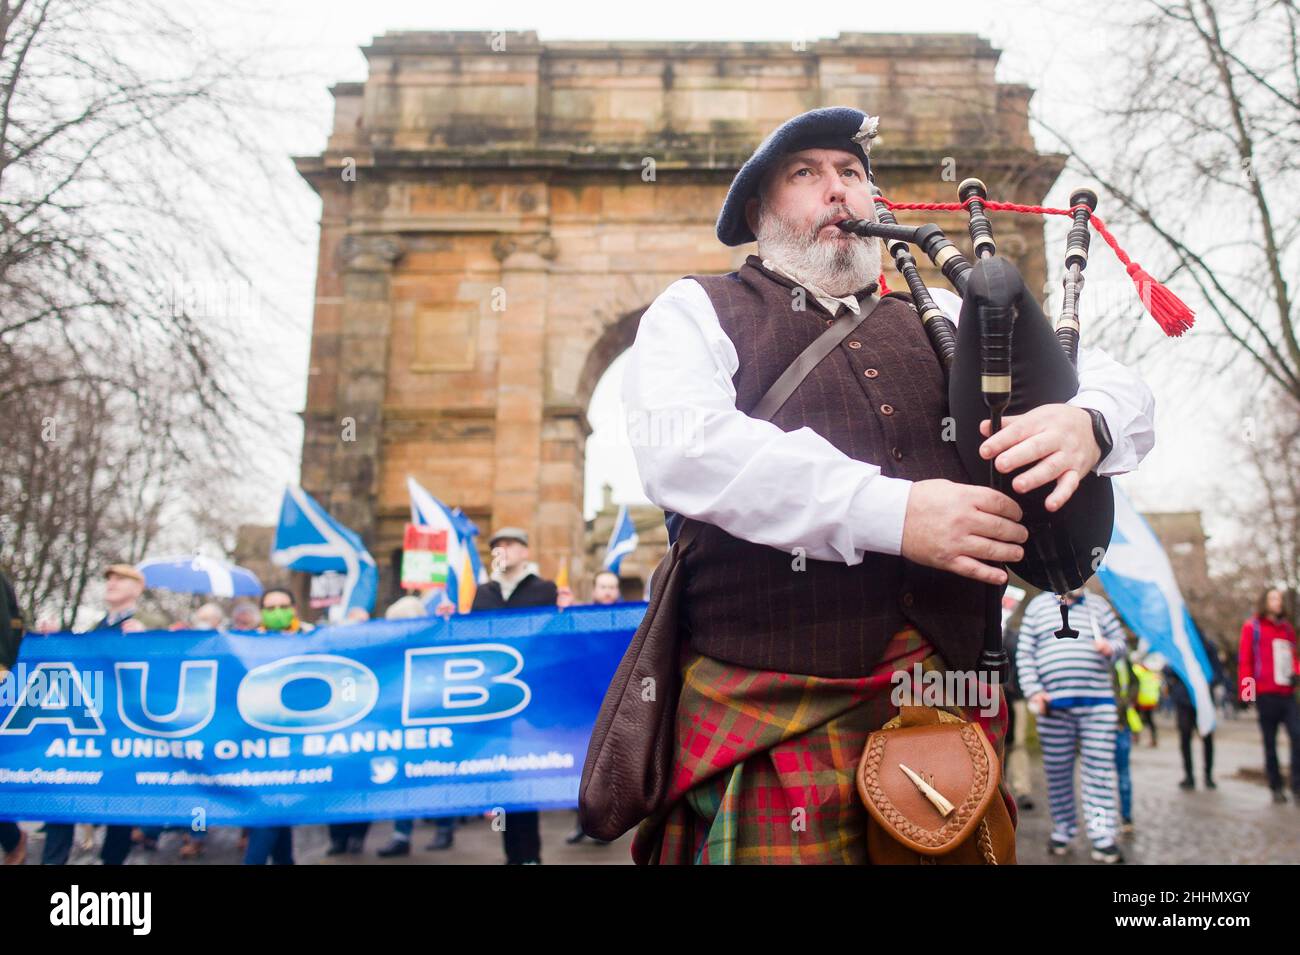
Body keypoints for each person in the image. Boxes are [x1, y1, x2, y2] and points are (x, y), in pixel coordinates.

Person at [621, 106, 1156, 864]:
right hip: (775, 709)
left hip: (945, 705)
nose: (837, 191)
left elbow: (1107, 377)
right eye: (806, 174)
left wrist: (1089, 421)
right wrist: (895, 512)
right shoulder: (698, 311)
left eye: (852, 173)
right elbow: (686, 451)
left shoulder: (937, 311)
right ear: (758, 212)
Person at [39, 564, 146, 865]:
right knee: (64, 790)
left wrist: (143, 644)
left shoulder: (137, 629)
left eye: (120, 579)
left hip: (118, 732)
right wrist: (55, 642)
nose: (111, 583)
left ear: (137, 588)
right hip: (87, 729)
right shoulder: (99, 628)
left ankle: (111, 861)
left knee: (119, 800)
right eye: (109, 578)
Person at [1017, 588, 1128, 863]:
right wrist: (1033, 691)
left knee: (1100, 772)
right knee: (1057, 773)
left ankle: (1102, 836)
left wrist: (1111, 648)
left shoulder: (1099, 606)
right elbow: (1025, 654)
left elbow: (1121, 642)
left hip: (1098, 704)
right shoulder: (1037, 607)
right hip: (1053, 706)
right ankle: (1063, 830)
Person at [468, 527, 557, 865]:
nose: (502, 551)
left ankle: (530, 855)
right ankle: (511, 854)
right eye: (496, 547)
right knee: (503, 776)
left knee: (525, 773)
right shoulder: (482, 594)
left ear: (524, 551)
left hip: (530, 700)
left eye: (509, 545)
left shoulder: (543, 590)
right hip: (493, 703)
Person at [243, 587, 310, 865]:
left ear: (294, 608)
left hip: (296, 742)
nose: (277, 612)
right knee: (274, 813)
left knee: (271, 812)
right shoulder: (245, 643)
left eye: (282, 606)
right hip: (259, 741)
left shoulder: (312, 638)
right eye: (270, 608)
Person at [565, 571, 622, 844]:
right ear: (595, 590)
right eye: (603, 587)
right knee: (584, 767)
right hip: (587, 707)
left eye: (612, 587)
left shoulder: (630, 617)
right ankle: (583, 823)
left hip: (618, 704)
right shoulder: (582, 619)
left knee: (611, 768)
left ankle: (605, 826)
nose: (608, 591)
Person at [1238, 587, 1300, 803]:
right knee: (1270, 742)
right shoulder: (1252, 627)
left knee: (1297, 736)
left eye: (1280, 598)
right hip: (1266, 694)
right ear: (1265, 601)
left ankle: (1297, 785)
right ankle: (1276, 786)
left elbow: (1294, 658)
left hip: (1287, 693)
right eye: (1273, 598)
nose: (1278, 602)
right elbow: (1245, 661)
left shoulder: (1287, 629)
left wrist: (1297, 672)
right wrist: (1247, 694)